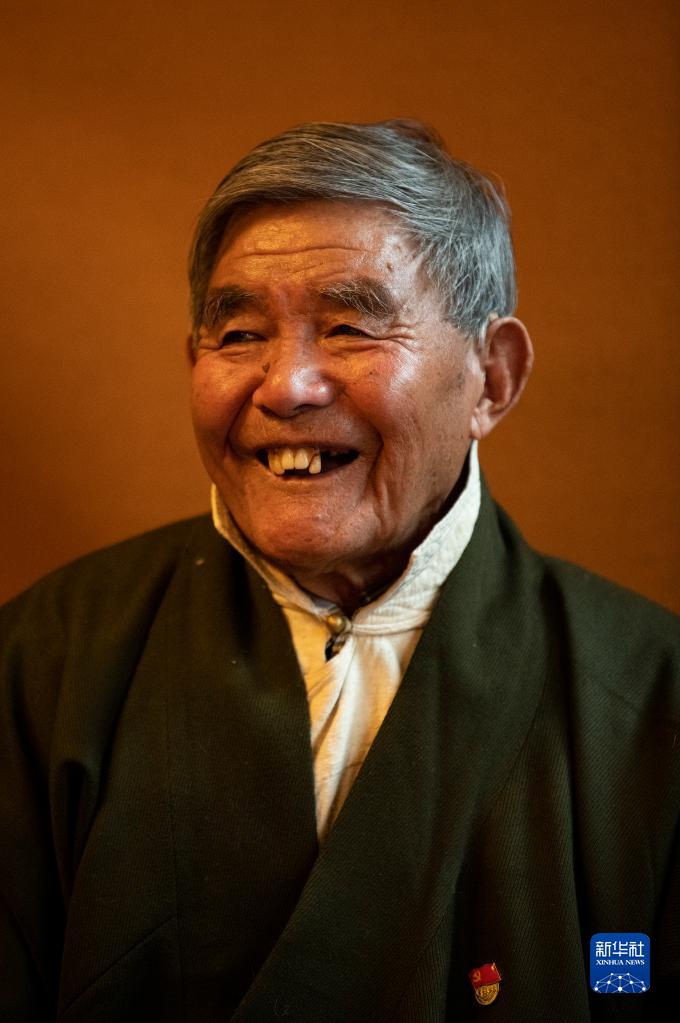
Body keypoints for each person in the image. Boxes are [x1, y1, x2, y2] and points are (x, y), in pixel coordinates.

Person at [0, 120, 677, 1022]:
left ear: (492, 377)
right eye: (239, 332)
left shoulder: (650, 700)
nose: (286, 385)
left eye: (350, 326)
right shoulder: (40, 665)